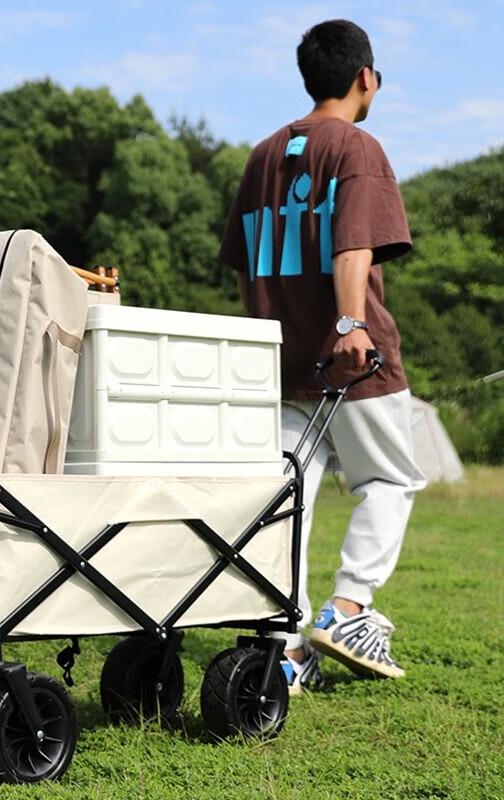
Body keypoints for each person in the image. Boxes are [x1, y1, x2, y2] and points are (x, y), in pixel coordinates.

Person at [219, 19, 426, 693]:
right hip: (351, 360)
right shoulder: (357, 148)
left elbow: (247, 263)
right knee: (389, 481)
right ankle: (348, 610)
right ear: (366, 78)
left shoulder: (261, 157)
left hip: (279, 363)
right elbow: (353, 244)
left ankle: (284, 646)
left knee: (290, 499)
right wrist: (349, 323)